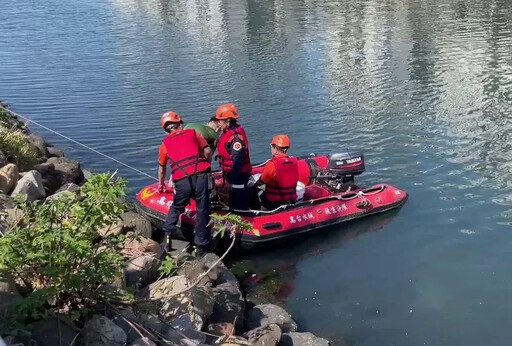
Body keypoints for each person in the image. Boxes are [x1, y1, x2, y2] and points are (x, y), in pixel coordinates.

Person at [158, 111, 215, 255]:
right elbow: (208, 151)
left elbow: (161, 168)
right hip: (201, 178)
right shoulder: (193, 133)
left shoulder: (165, 144)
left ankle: (167, 237)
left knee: (177, 207)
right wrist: (207, 165)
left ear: (166, 130)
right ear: (181, 124)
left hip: (182, 182)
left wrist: (161, 184)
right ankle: (200, 246)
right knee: (203, 210)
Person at [215, 103, 252, 210]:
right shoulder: (227, 132)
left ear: (228, 121)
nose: (218, 123)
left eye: (220, 121)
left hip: (238, 175)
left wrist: (230, 181)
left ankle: (243, 216)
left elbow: (237, 162)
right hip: (232, 173)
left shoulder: (236, 138)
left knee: (239, 199)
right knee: (233, 199)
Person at [258, 134, 299, 210]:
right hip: (291, 200)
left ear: (275, 149)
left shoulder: (272, 164)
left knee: (256, 192)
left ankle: (258, 215)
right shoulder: (294, 162)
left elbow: (262, 180)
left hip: (273, 202)